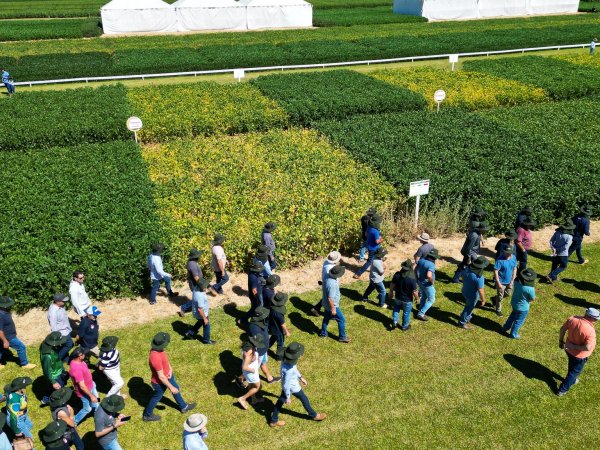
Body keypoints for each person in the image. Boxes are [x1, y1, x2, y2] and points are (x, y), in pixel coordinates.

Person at [269, 342, 326, 427]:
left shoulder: (286, 362)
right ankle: (314, 415)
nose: (300, 356)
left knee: (280, 402)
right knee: (304, 399)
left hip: (288, 388)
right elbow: (286, 384)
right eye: (298, 355)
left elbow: (295, 370)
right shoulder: (289, 370)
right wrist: (288, 396)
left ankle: (273, 420)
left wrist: (301, 377)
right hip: (293, 388)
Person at [143, 332, 196, 421]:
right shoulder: (155, 357)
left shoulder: (160, 349)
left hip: (168, 375)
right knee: (157, 397)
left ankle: (184, 407)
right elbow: (161, 376)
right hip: (159, 382)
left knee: (176, 388)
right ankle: (147, 415)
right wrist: (171, 387)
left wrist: (170, 369)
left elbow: (165, 361)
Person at [557, 307, 599, 396]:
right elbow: (587, 347)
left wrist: (561, 341)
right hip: (580, 355)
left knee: (572, 366)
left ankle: (572, 380)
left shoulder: (573, 319)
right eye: (596, 319)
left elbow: (562, 329)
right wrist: (574, 347)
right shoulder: (590, 331)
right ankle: (562, 390)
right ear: (592, 318)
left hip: (568, 350)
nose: (596, 321)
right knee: (574, 372)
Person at [0, 296, 36, 370]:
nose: (11, 306)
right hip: (8, 337)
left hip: (8, 335)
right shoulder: (1, 315)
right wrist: (5, 341)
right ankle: (24, 364)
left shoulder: (5, 312)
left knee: (0, 349)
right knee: (21, 347)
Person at [501, 268, 536, 339]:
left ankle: (505, 328)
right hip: (523, 308)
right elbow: (533, 298)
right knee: (518, 321)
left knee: (512, 316)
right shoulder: (530, 288)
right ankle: (513, 334)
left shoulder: (516, 282)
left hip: (514, 303)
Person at [248, 306, 280, 383]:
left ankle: (269, 378)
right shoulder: (254, 328)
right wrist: (255, 354)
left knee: (263, 363)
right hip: (259, 352)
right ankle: (240, 379)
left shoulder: (263, 322)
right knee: (253, 367)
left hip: (264, 349)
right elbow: (255, 342)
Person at [320, 265, 350, 343]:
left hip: (325, 304)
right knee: (341, 320)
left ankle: (323, 333)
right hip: (332, 306)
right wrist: (333, 309)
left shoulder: (327, 275)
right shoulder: (332, 284)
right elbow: (330, 298)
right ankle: (342, 337)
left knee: (326, 318)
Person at [457, 256, 489, 329]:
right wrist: (483, 300)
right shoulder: (479, 278)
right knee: (468, 308)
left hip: (464, 290)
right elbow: (481, 290)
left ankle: (468, 317)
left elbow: (462, 277)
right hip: (472, 295)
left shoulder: (467, 269)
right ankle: (462, 322)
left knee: (469, 305)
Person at [70, 347, 99, 424]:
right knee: (87, 409)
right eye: (84, 354)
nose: (85, 355)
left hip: (91, 385)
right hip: (84, 392)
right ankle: (73, 422)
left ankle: (98, 412)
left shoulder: (79, 361)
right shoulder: (76, 369)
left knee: (96, 399)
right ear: (80, 356)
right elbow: (82, 386)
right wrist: (91, 396)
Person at [237, 334, 265, 410]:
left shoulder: (247, 344)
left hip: (249, 371)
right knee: (257, 387)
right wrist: (252, 370)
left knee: (252, 384)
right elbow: (245, 367)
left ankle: (253, 399)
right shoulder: (249, 352)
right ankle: (242, 398)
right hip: (250, 372)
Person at [40, 332, 69, 405]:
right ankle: (56, 403)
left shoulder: (49, 345)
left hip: (58, 368)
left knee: (52, 388)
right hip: (55, 375)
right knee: (58, 389)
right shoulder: (47, 356)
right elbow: (46, 370)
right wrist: (53, 382)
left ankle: (46, 399)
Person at [389, 259, 419, 331]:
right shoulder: (412, 279)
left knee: (396, 309)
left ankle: (395, 322)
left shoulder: (397, 274)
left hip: (397, 297)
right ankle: (404, 326)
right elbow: (414, 292)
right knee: (406, 313)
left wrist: (391, 292)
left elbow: (392, 284)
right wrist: (417, 298)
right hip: (407, 300)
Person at [183, 278, 216, 345]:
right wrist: (205, 318)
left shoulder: (196, 288)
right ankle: (206, 340)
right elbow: (200, 309)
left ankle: (190, 333)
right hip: (201, 313)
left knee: (200, 322)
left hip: (196, 313)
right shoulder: (200, 296)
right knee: (206, 325)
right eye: (205, 286)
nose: (206, 287)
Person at [310, 251, 341, 317]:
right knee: (331, 298)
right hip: (330, 284)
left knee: (326, 297)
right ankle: (331, 313)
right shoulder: (332, 268)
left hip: (325, 283)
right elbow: (334, 278)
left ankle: (316, 308)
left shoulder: (326, 262)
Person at [354, 214, 383, 279]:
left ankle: (381, 268)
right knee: (369, 261)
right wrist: (381, 239)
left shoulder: (368, 227)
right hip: (374, 248)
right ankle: (358, 273)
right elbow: (377, 241)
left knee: (380, 256)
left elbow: (366, 234)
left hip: (370, 246)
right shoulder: (375, 231)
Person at [47, 293, 74, 361]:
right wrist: (58, 337)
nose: (65, 302)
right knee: (70, 344)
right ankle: (57, 359)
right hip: (62, 333)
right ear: (57, 302)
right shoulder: (53, 312)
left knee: (64, 346)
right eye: (63, 301)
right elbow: (53, 326)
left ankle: (66, 359)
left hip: (66, 330)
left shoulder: (60, 307)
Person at [415, 248, 440, 322]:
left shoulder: (421, 260)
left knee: (424, 296)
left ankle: (421, 308)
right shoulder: (431, 264)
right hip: (427, 284)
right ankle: (421, 313)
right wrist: (431, 281)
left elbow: (415, 269)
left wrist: (417, 278)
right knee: (431, 299)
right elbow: (429, 275)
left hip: (420, 281)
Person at [492, 247, 517, 317]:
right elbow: (496, 271)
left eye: (509, 253)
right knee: (500, 297)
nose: (507, 254)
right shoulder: (500, 260)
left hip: (510, 281)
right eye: (506, 253)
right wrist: (498, 282)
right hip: (501, 282)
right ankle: (498, 309)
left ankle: (494, 298)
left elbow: (515, 268)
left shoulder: (513, 258)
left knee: (508, 294)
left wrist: (512, 280)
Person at [179, 249, 204, 317]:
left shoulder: (191, 262)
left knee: (198, 298)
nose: (199, 257)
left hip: (195, 283)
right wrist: (201, 285)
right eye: (198, 256)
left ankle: (199, 308)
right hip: (195, 284)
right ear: (195, 257)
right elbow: (196, 277)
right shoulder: (192, 265)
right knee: (197, 299)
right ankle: (183, 307)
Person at [240, 261, 265, 327]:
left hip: (257, 294)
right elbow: (254, 291)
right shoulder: (253, 277)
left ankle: (245, 319)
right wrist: (258, 299)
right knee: (256, 308)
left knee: (254, 308)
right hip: (255, 296)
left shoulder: (253, 273)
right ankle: (244, 320)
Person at [268, 293, 290, 360]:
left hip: (272, 328)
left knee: (273, 338)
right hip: (279, 331)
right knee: (280, 344)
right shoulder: (279, 314)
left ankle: (265, 348)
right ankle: (279, 357)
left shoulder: (271, 307)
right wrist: (287, 332)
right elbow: (282, 324)